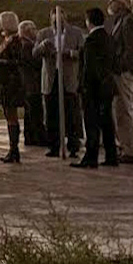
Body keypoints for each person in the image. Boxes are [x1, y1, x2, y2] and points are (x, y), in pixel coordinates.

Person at [34, 9, 85, 159]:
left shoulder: (75, 33)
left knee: (71, 112)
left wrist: (69, 53)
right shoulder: (43, 33)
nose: (57, 24)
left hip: (69, 77)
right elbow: (35, 53)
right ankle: (53, 145)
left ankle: (74, 145)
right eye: (55, 21)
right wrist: (43, 46)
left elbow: (82, 52)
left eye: (60, 21)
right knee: (51, 113)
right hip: (51, 77)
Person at [71, 8, 118, 169]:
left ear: (88, 21)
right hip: (107, 85)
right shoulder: (109, 38)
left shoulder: (91, 41)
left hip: (93, 87)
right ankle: (111, 155)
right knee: (106, 121)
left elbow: (89, 67)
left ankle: (91, 156)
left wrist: (84, 86)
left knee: (91, 122)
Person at [107, 0, 133, 164]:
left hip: (124, 72)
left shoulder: (129, 21)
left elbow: (131, 49)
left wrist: (120, 67)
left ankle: (130, 149)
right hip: (121, 70)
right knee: (121, 110)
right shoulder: (122, 20)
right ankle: (126, 146)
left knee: (124, 110)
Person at [0, 12, 29, 163]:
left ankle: (14, 149)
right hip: (6, 81)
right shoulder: (8, 40)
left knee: (11, 115)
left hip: (11, 82)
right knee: (9, 116)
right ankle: (13, 148)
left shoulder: (14, 42)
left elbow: (16, 62)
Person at [16, 20, 45, 148]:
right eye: (33, 29)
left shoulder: (23, 44)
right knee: (34, 111)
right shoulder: (27, 46)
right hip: (31, 83)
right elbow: (34, 63)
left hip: (28, 83)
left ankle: (31, 137)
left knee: (31, 112)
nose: (36, 31)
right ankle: (37, 137)